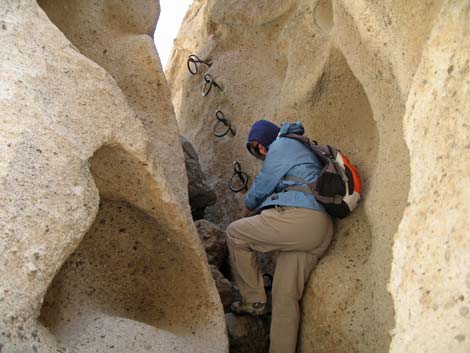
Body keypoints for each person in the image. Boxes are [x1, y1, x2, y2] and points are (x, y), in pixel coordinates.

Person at [226, 120, 333, 353]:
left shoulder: (282, 144)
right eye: (256, 150)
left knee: (235, 233)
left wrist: (246, 207)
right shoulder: (300, 149)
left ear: (268, 139)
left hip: (302, 219)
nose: (261, 152)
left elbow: (264, 183)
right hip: (319, 230)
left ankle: (253, 299)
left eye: (259, 146)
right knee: (284, 298)